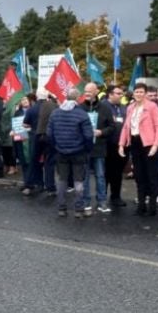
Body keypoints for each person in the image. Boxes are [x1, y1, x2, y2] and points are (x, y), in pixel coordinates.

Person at [47, 88, 94, 217]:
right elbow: (89, 136)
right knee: (78, 181)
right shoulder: (82, 114)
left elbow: (49, 134)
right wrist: (88, 149)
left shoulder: (55, 113)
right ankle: (78, 209)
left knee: (62, 180)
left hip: (61, 151)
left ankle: (61, 208)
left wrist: (56, 146)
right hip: (78, 152)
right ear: (79, 99)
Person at [118, 83, 158, 216]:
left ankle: (152, 206)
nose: (138, 94)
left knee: (152, 175)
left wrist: (156, 145)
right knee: (139, 175)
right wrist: (121, 144)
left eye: (141, 92)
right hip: (135, 143)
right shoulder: (130, 107)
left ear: (145, 93)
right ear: (133, 93)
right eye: (136, 92)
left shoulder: (152, 107)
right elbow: (126, 127)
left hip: (148, 144)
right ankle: (141, 205)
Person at [81, 82, 115, 213]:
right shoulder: (80, 108)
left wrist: (101, 132)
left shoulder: (105, 108)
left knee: (100, 176)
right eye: (85, 91)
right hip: (84, 148)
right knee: (84, 177)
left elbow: (111, 127)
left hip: (99, 147)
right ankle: (86, 202)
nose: (87, 93)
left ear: (96, 92)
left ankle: (102, 202)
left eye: (90, 91)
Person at [102, 84, 127, 207]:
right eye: (118, 93)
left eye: (121, 93)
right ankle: (102, 197)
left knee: (117, 172)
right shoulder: (102, 107)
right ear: (110, 94)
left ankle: (115, 196)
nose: (121, 95)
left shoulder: (123, 107)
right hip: (107, 144)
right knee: (105, 172)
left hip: (121, 145)